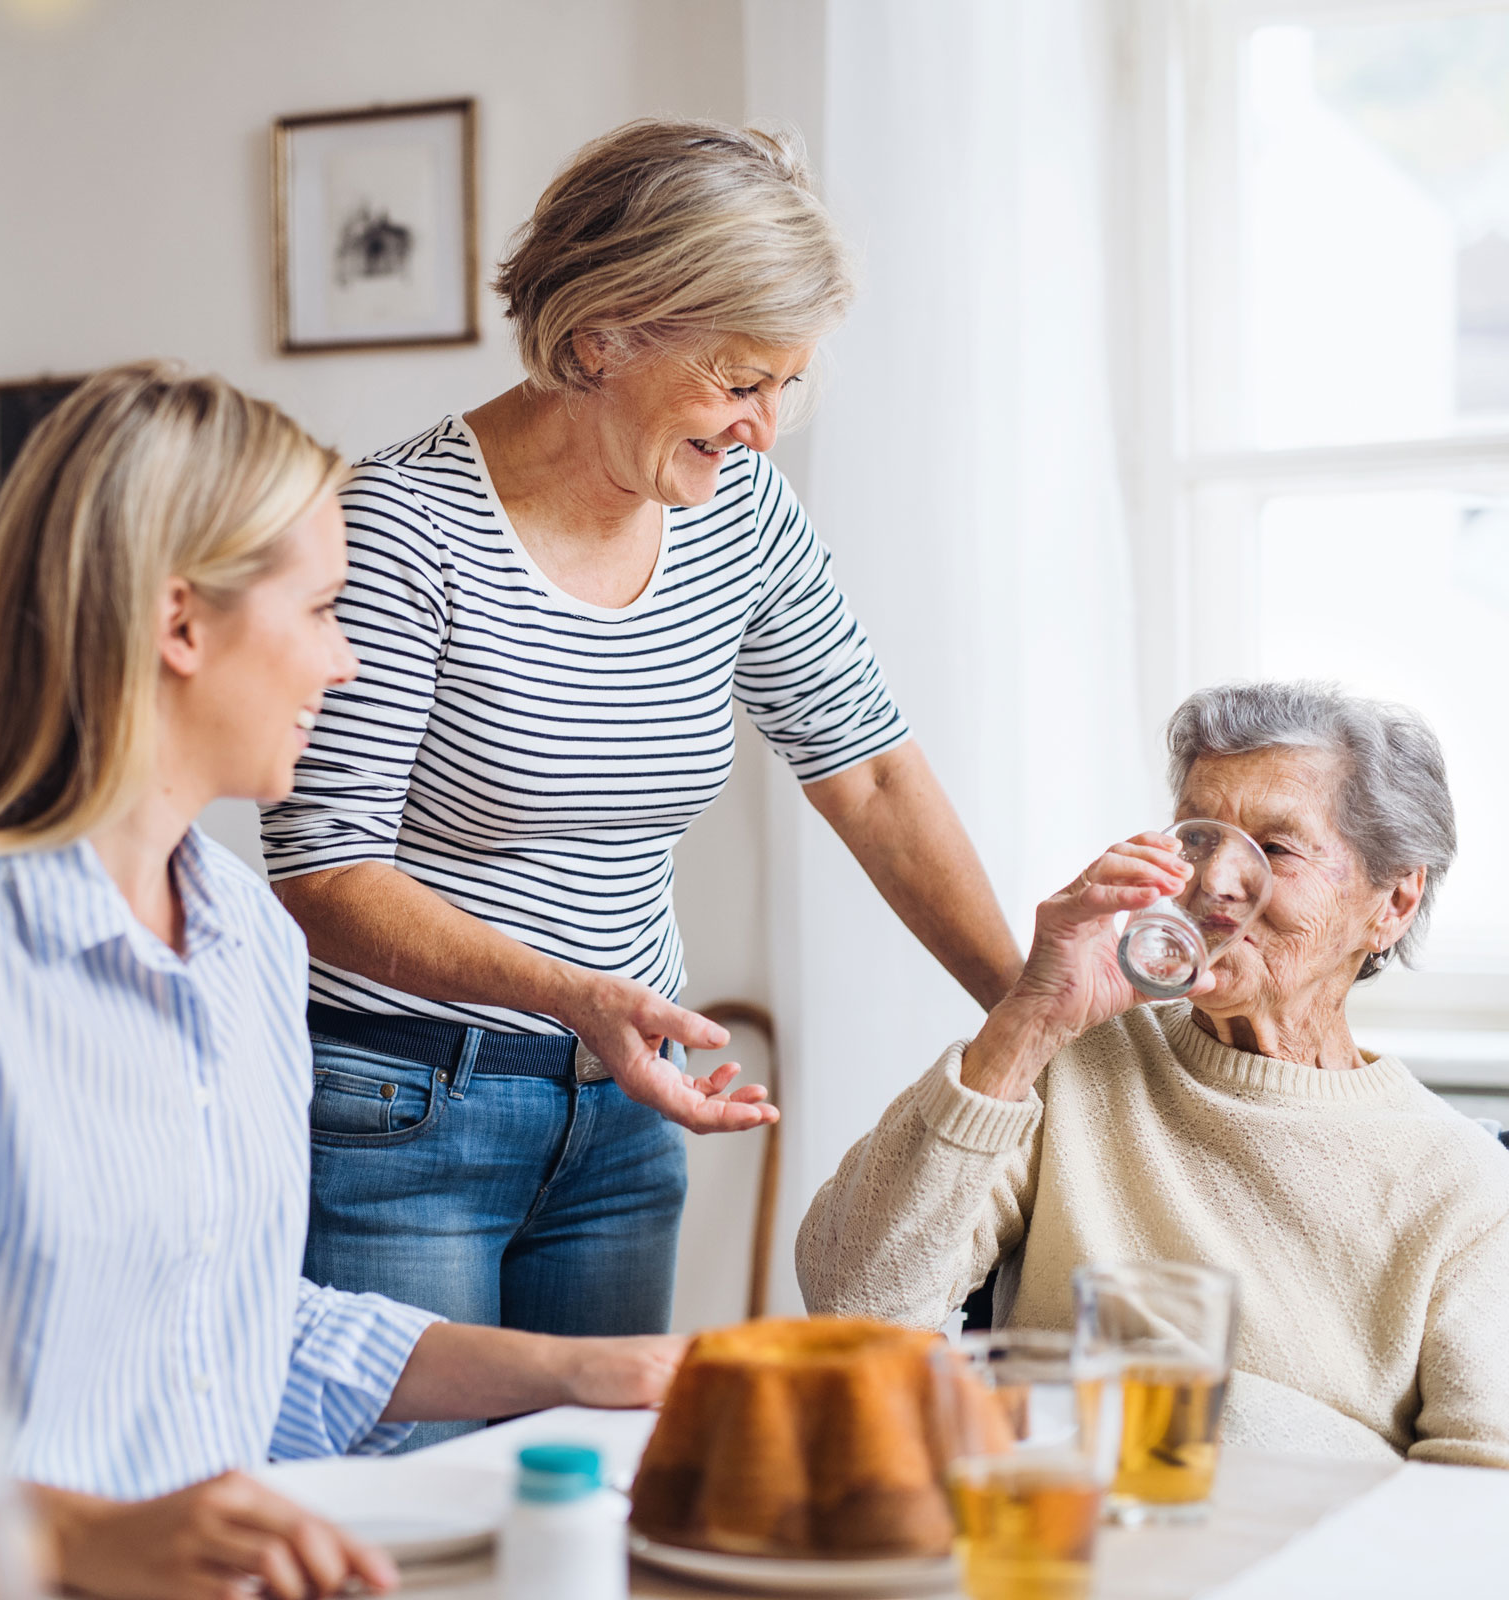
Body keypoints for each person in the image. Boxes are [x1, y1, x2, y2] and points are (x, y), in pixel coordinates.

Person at [0, 364, 686, 1600]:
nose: (342, 665)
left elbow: (233, 1335)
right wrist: (83, 1539)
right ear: (182, 624)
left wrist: (573, 1372)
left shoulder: (244, 937)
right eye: (325, 610)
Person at [260, 118, 1022, 1352]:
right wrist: (575, 997)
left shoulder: (743, 516)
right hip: (401, 1105)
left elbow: (872, 772)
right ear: (598, 335)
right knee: (423, 1522)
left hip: (622, 1112)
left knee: (602, 1501)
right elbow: (323, 868)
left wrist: (1024, 1012)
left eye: (789, 382)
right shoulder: (400, 524)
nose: (766, 426)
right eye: (738, 380)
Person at [795, 682, 1509, 1471]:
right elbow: (854, 1308)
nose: (1215, 883)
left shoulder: (1462, 1188)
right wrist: (1026, 1023)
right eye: (1200, 841)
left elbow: (1503, 1498)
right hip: (1060, 1535)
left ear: (1393, 901)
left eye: (1275, 849)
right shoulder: (1075, 1059)